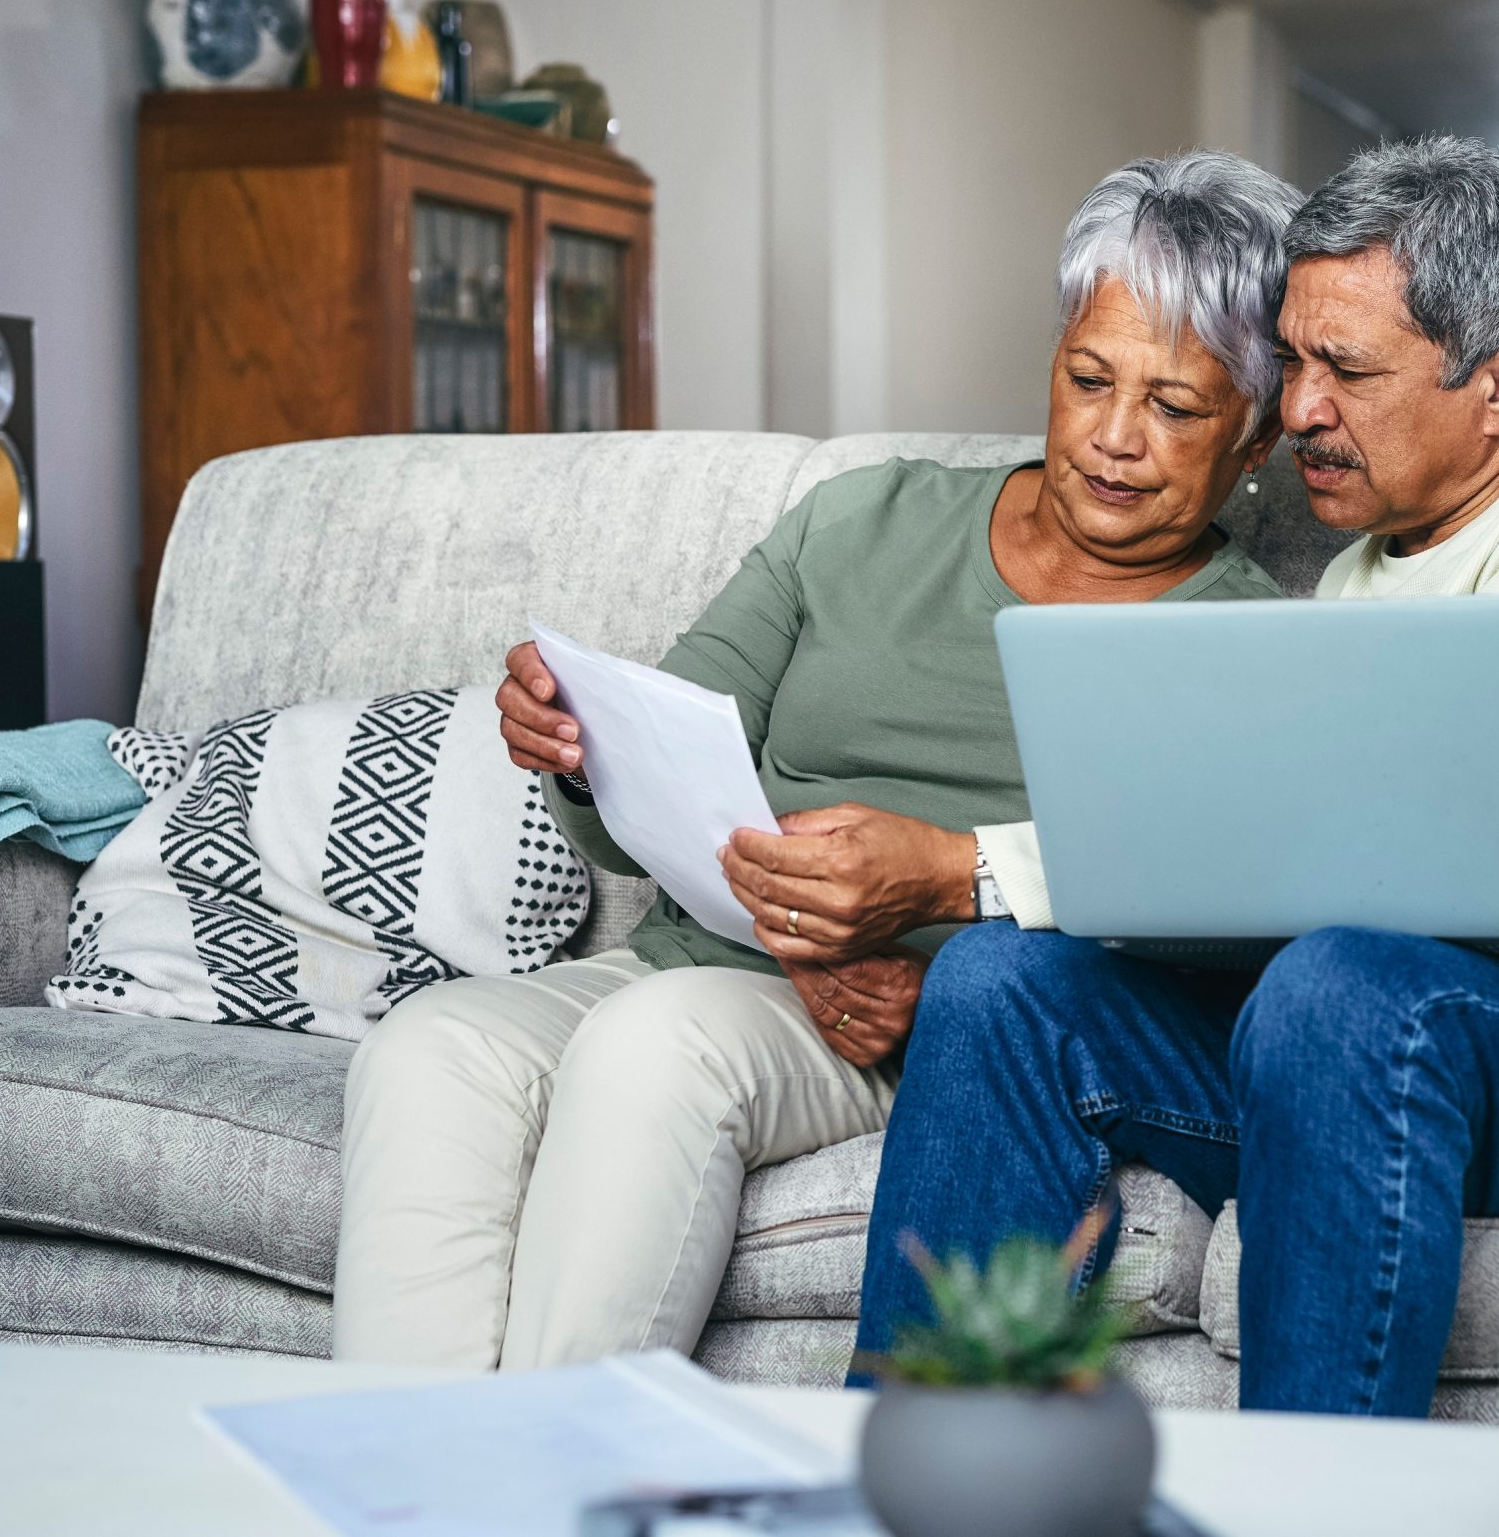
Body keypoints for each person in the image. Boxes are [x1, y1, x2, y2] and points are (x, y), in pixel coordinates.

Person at [852, 135, 1499, 1418]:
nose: (1297, 407)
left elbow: (1402, 825)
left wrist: (975, 863)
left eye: (1345, 369)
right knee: (999, 981)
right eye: (1294, 358)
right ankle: (918, 1467)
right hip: (1420, 1025)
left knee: (1341, 983)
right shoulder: (1376, 557)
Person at [331, 151, 1299, 1369]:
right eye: (1088, 377)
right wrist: (578, 748)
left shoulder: (1242, 639)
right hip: (708, 952)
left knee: (660, 1046)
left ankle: (565, 1487)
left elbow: (1184, 924)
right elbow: (664, 747)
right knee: (428, 1048)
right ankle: (396, 1486)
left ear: (1253, 432)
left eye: (1174, 407)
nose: (1113, 438)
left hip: (901, 1030)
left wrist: (923, 985)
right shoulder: (861, 518)